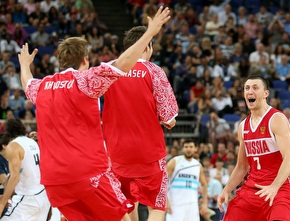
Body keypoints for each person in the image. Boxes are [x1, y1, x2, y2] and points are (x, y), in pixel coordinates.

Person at [18, 6, 171, 221]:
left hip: (54, 183)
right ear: (85, 60)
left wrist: (24, 65)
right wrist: (149, 33)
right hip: (89, 175)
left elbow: (27, 84)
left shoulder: (42, 87)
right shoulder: (86, 81)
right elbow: (123, 64)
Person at [101, 24, 178, 221]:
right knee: (156, 206)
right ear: (147, 47)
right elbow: (169, 117)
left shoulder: (109, 69)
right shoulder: (154, 71)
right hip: (148, 151)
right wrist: (168, 121)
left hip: (116, 151)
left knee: (124, 204)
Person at [217, 74, 290, 220]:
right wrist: (226, 190)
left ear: (265, 93)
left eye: (255, 88)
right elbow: (242, 166)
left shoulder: (276, 119)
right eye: (247, 88)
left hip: (280, 188)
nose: (250, 91)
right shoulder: (243, 126)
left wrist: (274, 187)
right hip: (253, 190)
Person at [0, 118, 51, 220]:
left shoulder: (13, 146)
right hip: (43, 194)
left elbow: (15, 177)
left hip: (28, 198)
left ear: (8, 132)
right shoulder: (33, 143)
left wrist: (2, 202)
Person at [166, 139, 208, 221]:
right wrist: (166, 201)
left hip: (192, 205)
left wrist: (205, 204)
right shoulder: (174, 161)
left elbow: (204, 184)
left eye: (191, 147)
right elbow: (163, 182)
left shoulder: (198, 165)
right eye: (186, 147)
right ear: (182, 149)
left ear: (196, 149)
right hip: (175, 205)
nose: (188, 149)